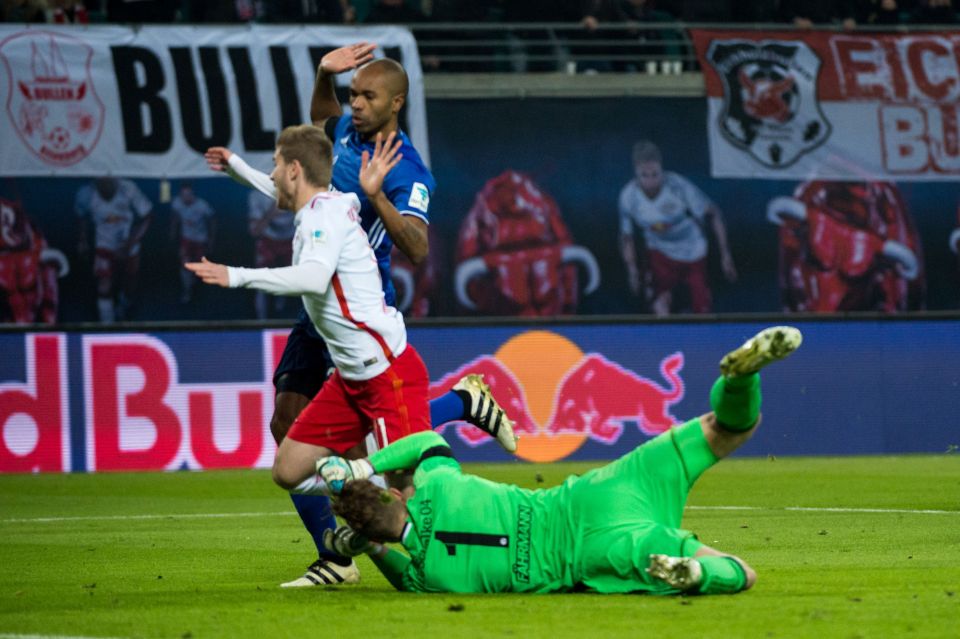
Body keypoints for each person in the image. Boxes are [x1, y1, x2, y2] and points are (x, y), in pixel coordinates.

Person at [203, 44, 515, 587]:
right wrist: (325, 72)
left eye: (367, 96)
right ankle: (341, 551)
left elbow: (417, 248)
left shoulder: (406, 169)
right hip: (319, 310)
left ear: (396, 102)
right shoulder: (345, 132)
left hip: (359, 309)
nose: (356, 104)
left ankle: (396, 529)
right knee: (287, 426)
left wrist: (378, 197)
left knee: (384, 459)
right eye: (354, 94)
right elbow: (317, 121)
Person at [319, 325, 803, 594]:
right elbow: (423, 440)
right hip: (595, 497)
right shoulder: (442, 486)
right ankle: (741, 381)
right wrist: (362, 468)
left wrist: (376, 549)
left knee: (741, 572)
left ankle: (698, 574)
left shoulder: (432, 577)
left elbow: (406, 581)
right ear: (400, 494)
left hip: (593, 551)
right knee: (729, 428)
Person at [618, 140, 737, 316]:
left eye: (655, 174)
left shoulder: (679, 187)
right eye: (644, 175)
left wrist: (725, 254)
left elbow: (714, 214)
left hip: (692, 250)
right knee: (658, 303)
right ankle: (665, 340)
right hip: (659, 251)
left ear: (661, 170)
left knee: (701, 309)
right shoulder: (628, 197)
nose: (651, 181)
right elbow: (626, 237)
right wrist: (632, 271)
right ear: (636, 173)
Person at [74, 177, 152, 323]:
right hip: (104, 244)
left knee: (130, 283)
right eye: (101, 182)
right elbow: (81, 216)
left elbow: (148, 216)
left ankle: (124, 306)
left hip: (128, 243)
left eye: (109, 182)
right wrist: (82, 240)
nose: (105, 186)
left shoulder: (128, 188)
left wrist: (130, 243)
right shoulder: (86, 193)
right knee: (104, 284)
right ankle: (107, 324)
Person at [247, 191, 296, 319]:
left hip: (291, 239)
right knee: (260, 283)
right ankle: (260, 323)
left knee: (287, 279)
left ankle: (281, 301)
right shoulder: (256, 194)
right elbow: (254, 231)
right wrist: (272, 212)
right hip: (268, 240)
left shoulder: (299, 189)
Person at [169, 181, 216, 304]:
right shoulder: (177, 203)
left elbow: (211, 223)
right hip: (186, 239)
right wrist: (173, 233)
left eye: (188, 195)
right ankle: (187, 291)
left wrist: (211, 241)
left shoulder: (202, 206)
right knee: (185, 265)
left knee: (198, 268)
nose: (185, 198)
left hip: (201, 240)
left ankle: (197, 289)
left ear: (192, 194)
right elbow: (175, 218)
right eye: (183, 195)